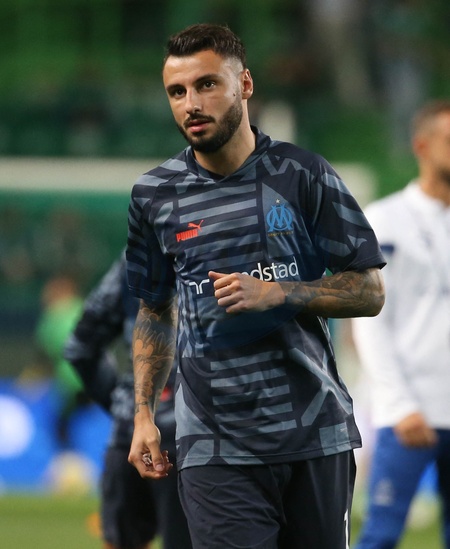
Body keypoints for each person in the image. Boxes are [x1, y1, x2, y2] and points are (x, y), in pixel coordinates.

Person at [126, 23, 386, 549]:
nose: (191, 104)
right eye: (177, 92)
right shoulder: (154, 195)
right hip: (214, 444)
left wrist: (281, 294)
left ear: (244, 84)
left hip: (314, 433)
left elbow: (370, 291)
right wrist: (144, 414)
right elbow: (154, 310)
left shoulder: (303, 174)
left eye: (207, 85)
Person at [351, 100, 450, 548]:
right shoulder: (385, 219)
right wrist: (399, 403)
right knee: (382, 534)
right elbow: (370, 321)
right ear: (422, 146)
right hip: (408, 411)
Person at [64, 252, 192, 549]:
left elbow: (80, 346)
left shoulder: (135, 257)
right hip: (201, 437)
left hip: (131, 435)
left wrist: (130, 410)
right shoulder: (228, 243)